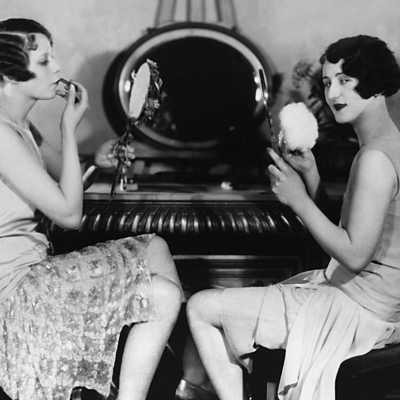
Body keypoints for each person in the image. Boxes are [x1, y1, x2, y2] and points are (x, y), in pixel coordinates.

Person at [187, 34, 400, 400]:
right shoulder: (386, 145)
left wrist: (298, 200)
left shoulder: (375, 159)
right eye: (328, 82)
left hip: (357, 311)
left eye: (345, 81)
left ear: (376, 83)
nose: (333, 94)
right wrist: (311, 176)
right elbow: (352, 232)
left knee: (199, 307)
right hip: (375, 304)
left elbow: (354, 255)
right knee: (221, 312)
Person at [0, 18, 183, 400]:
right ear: (9, 76)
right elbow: (68, 215)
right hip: (14, 289)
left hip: (36, 268)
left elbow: (63, 177)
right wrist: (69, 129)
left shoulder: (19, 125)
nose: (58, 68)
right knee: (162, 295)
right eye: (44, 61)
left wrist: (95, 161)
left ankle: (188, 382)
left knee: (156, 247)